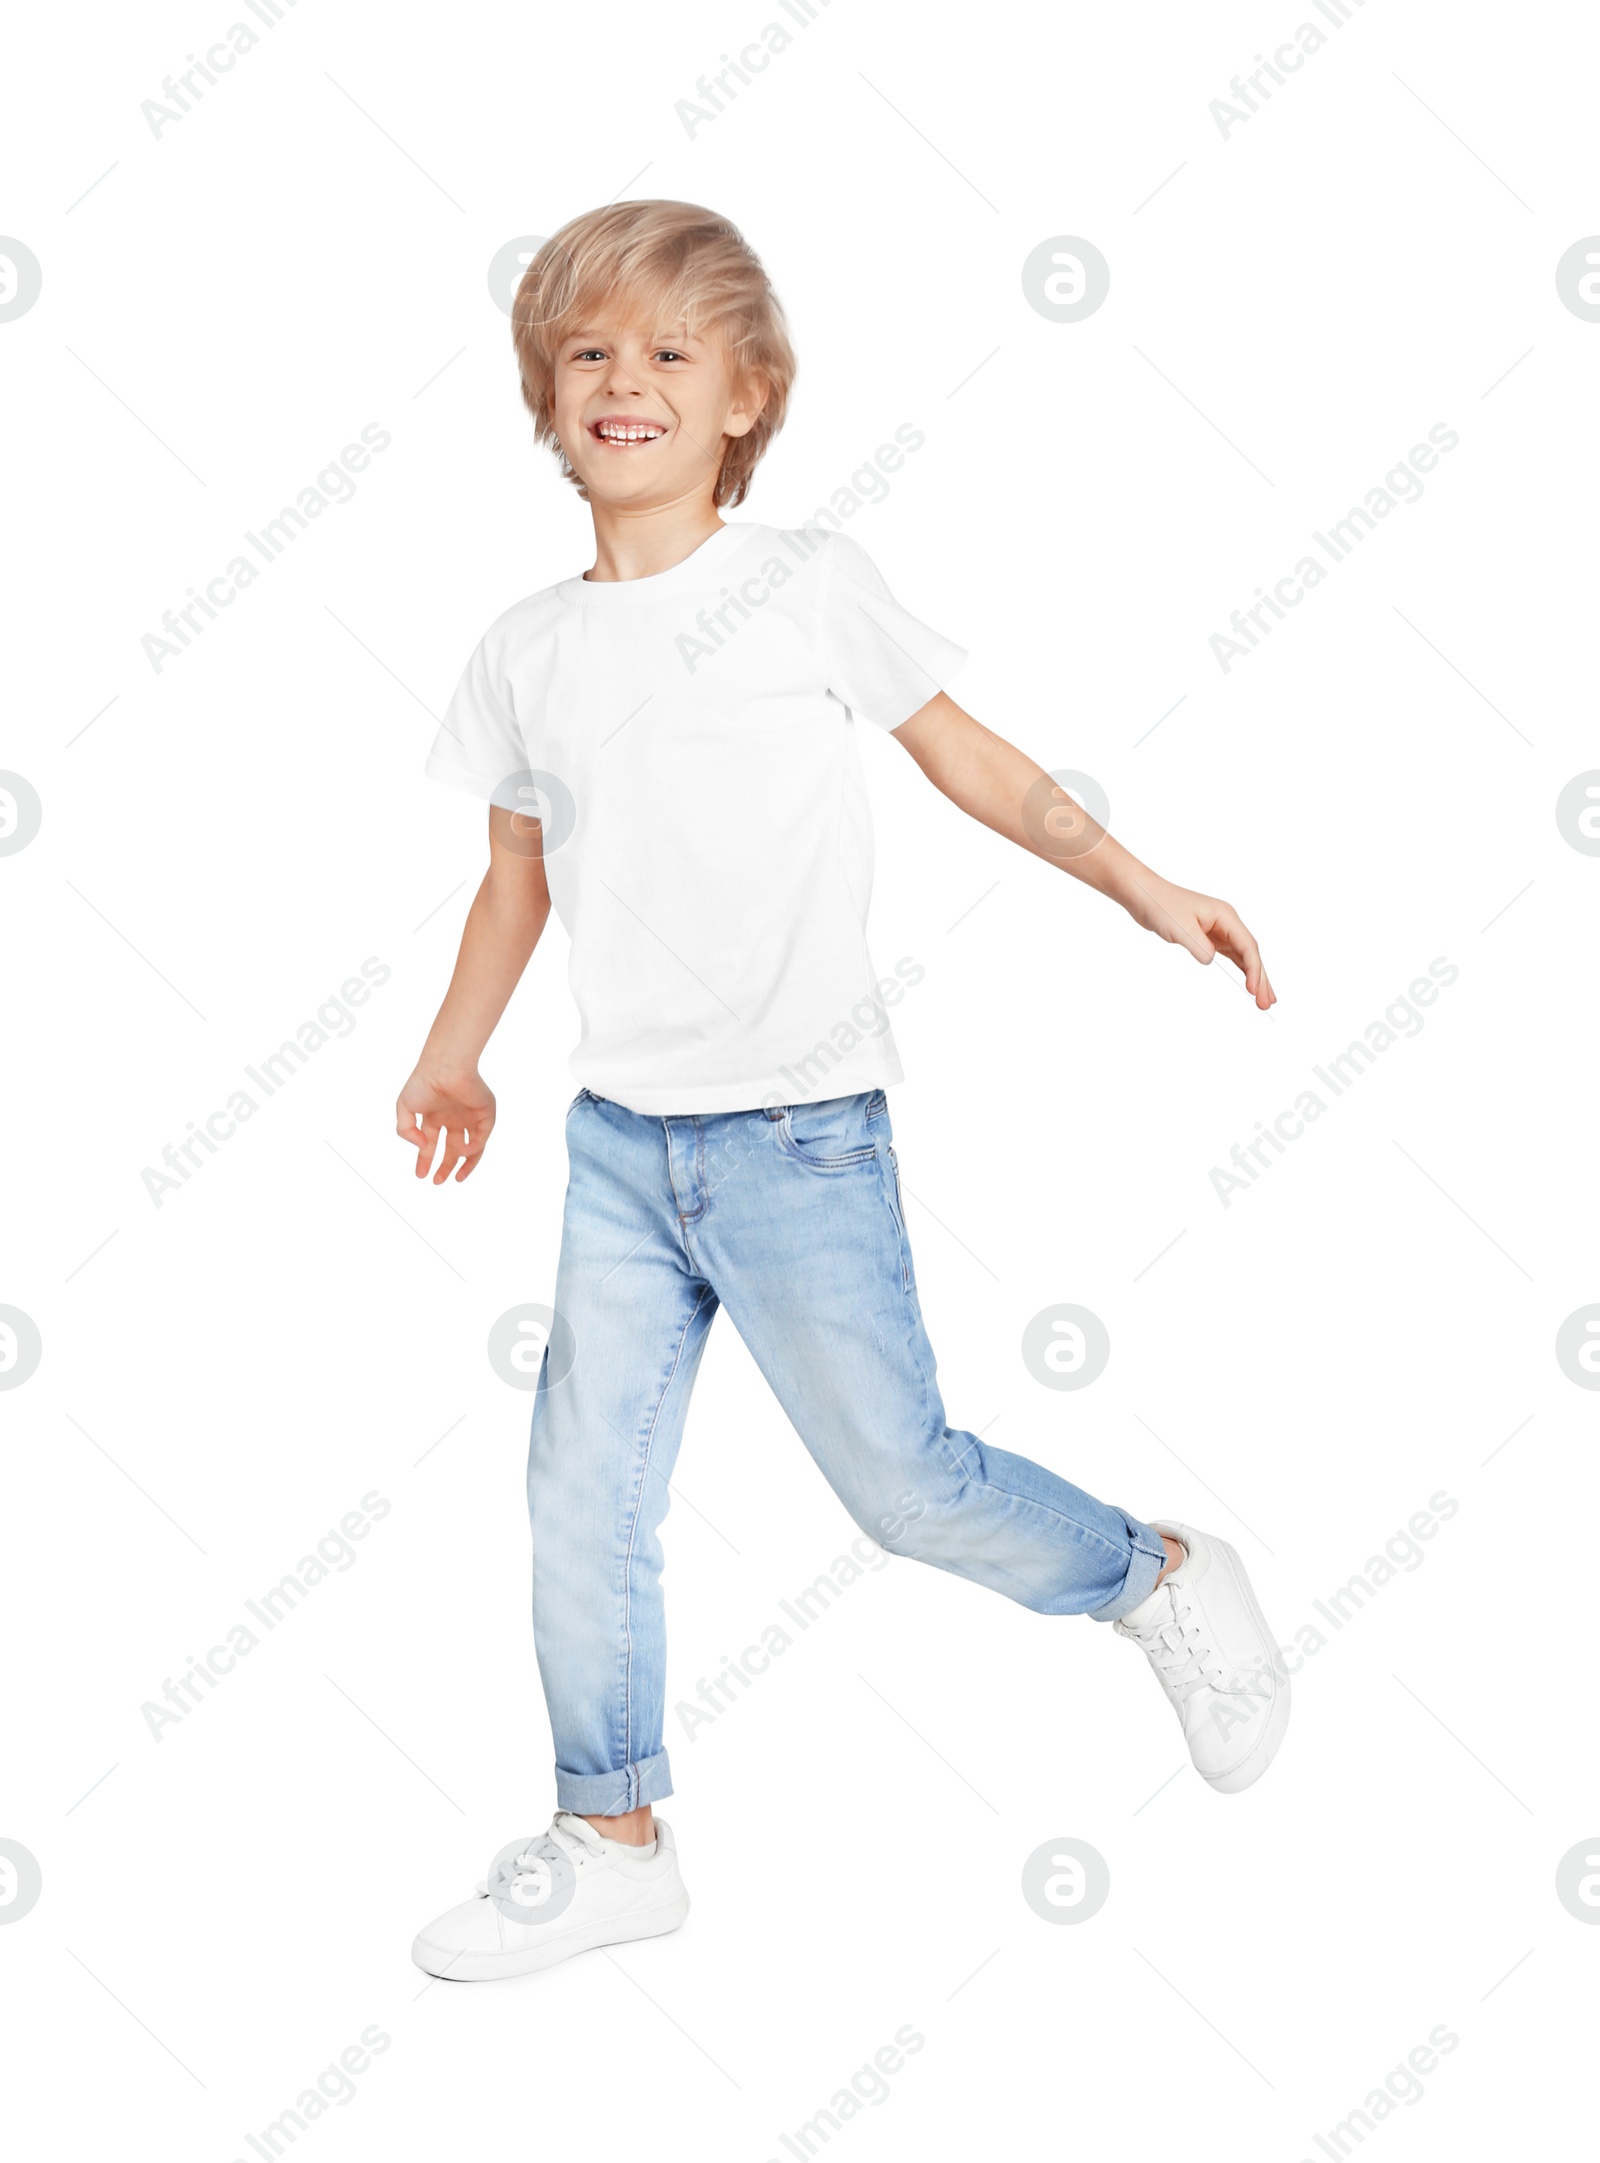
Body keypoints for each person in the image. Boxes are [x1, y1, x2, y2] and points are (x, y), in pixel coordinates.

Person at [401, 200, 1288, 1984]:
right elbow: (518, 878)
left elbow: (977, 765)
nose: (623, 381)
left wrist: (1145, 881)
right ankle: (611, 1831)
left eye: (669, 352)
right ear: (542, 399)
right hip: (619, 1150)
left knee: (903, 1484)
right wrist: (453, 1049)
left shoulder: (803, 584)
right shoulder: (524, 649)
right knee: (580, 1489)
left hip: (800, 1136)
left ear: (747, 397)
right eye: (589, 353)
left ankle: (1157, 1574)